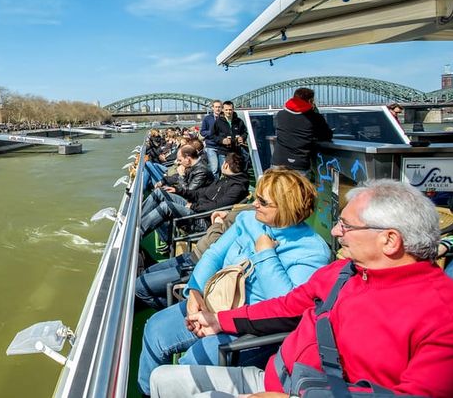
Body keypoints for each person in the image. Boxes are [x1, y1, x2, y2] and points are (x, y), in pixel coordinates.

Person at [151, 179, 453, 398]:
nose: (336, 232)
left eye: (346, 227)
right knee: (162, 379)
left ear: (389, 240)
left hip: (301, 391)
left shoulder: (443, 314)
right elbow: (286, 306)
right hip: (275, 379)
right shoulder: (344, 272)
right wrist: (219, 321)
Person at [138, 168, 330, 395]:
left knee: (194, 361)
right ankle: (149, 392)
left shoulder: (312, 251)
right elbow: (214, 254)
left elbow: (286, 306)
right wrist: (195, 293)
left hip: (252, 328)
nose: (254, 204)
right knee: (155, 329)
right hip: (215, 304)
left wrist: (265, 255)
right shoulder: (248, 219)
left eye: (262, 201)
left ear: (287, 207)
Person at [136, 207, 240, 309]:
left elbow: (216, 243)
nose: (256, 204)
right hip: (192, 255)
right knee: (145, 274)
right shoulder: (248, 210)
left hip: (197, 266)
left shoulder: (248, 218)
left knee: (139, 287)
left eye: (257, 200)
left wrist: (217, 223)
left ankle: (180, 308)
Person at [140, 152, 248, 246]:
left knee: (166, 206)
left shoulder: (237, 187)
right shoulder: (225, 180)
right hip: (196, 208)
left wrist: (193, 206)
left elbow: (217, 205)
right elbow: (200, 192)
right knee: (160, 192)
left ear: (226, 165)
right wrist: (178, 190)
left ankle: (138, 232)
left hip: (202, 219)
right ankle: (137, 219)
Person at [271, 87, 332, 173]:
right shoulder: (314, 117)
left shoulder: (280, 115)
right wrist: (314, 110)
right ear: (310, 101)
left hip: (278, 161)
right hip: (299, 164)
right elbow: (327, 135)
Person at [211, 101, 248, 172]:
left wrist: (242, 138)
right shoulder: (218, 122)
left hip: (236, 151)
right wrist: (222, 140)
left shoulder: (239, 121)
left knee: (237, 171)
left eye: (230, 110)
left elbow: (245, 132)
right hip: (223, 152)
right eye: (226, 110)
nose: (228, 112)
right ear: (223, 110)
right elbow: (213, 135)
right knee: (225, 172)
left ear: (233, 109)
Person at [200, 100, 223, 178]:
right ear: (212, 108)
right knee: (214, 168)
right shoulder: (207, 119)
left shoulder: (224, 118)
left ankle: (221, 185)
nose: (217, 109)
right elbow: (202, 132)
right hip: (211, 146)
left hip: (222, 146)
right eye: (216, 107)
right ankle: (215, 186)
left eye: (219, 107)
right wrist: (211, 132)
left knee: (222, 168)